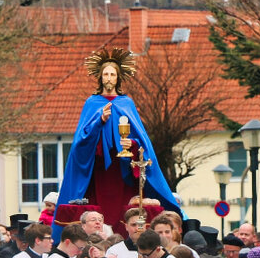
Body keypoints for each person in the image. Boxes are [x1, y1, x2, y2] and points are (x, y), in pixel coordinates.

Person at [53, 48, 179, 243]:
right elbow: (81, 141)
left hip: (123, 172)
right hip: (99, 172)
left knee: (126, 209)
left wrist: (133, 144)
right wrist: (99, 122)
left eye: (112, 74)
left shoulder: (126, 103)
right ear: (100, 77)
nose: (109, 78)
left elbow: (142, 140)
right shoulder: (92, 103)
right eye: (105, 74)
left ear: (118, 78)